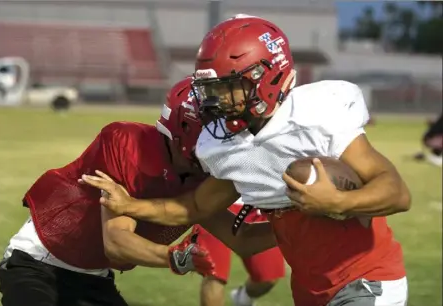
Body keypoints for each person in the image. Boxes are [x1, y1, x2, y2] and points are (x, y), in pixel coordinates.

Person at [81, 15, 411, 306]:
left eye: (227, 88)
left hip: (368, 278)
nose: (216, 101)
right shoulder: (225, 147)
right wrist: (128, 206)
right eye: (210, 89)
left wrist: (339, 201)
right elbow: (191, 207)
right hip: (313, 289)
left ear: (263, 77)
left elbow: (397, 193)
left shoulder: (317, 115)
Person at [0, 77, 216, 306]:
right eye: (216, 127)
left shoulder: (206, 175)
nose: (226, 136)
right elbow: (117, 243)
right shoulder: (129, 145)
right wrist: (176, 257)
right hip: (40, 260)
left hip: (93, 275)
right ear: (186, 126)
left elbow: (241, 237)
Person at [196, 202, 285, 306]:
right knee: (214, 274)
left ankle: (242, 299)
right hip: (220, 199)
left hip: (258, 203)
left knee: (268, 277)